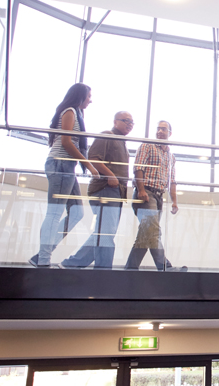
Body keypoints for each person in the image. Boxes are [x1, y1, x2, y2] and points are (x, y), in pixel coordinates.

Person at [29, 83, 99, 267]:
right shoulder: (70, 111)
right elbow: (67, 142)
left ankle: (41, 255)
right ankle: (44, 260)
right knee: (54, 213)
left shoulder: (78, 113)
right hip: (60, 164)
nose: (90, 100)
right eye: (89, 96)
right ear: (80, 96)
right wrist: (89, 165)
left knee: (77, 213)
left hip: (67, 166)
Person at [60, 112, 134, 269]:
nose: (129, 124)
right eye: (126, 121)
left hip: (116, 191)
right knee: (106, 234)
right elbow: (94, 157)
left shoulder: (122, 142)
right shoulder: (107, 135)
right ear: (115, 121)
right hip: (105, 188)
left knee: (104, 233)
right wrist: (111, 175)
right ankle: (103, 272)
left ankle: (73, 263)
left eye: (132, 123)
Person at [125, 120, 186, 272]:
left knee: (147, 234)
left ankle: (130, 269)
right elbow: (138, 167)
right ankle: (165, 267)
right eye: (158, 129)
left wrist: (174, 202)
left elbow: (172, 180)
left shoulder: (170, 157)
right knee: (153, 232)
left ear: (170, 133)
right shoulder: (147, 146)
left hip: (159, 197)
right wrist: (141, 190)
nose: (160, 131)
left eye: (163, 129)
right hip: (146, 193)